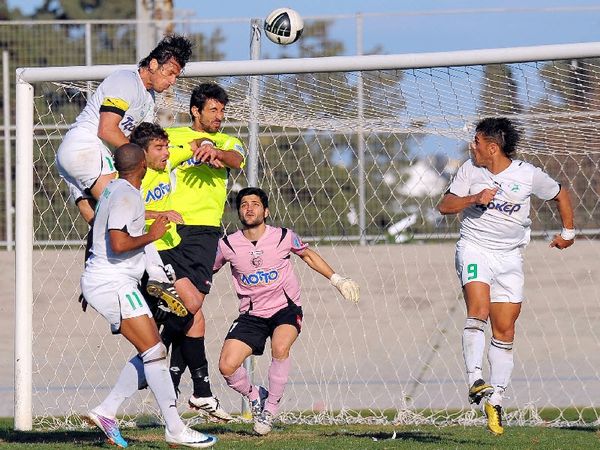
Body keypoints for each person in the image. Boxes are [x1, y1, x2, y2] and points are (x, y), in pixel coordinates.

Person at [437, 117, 575, 436]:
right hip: (474, 248)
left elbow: (561, 194)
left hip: (510, 257)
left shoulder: (527, 175)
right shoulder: (470, 171)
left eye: (476, 142)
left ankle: (496, 398)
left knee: (505, 327)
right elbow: (444, 206)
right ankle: (475, 379)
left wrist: (568, 232)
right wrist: (473, 198)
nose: (472, 146)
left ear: (492, 147)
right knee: (479, 310)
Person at [80, 143, 217, 448]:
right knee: (154, 351)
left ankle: (107, 411)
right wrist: (153, 235)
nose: (164, 153)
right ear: (142, 163)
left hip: (110, 281)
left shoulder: (115, 189)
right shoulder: (127, 195)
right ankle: (175, 428)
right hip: (114, 284)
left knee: (153, 351)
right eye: (158, 149)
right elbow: (117, 243)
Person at [58, 35, 192, 310]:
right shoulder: (126, 80)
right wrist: (141, 158)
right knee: (130, 210)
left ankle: (94, 278)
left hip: (75, 157)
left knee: (100, 221)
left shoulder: (148, 98)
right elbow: (107, 129)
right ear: (153, 64)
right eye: (169, 73)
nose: (172, 81)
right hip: (86, 148)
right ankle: (157, 275)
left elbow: (132, 138)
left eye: (176, 77)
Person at [214, 187, 360, 435]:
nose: (249, 208)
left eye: (255, 204)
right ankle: (256, 395)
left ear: (266, 210)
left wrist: (338, 280)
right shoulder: (227, 244)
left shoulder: (283, 236)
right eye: (244, 204)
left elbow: (308, 255)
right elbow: (207, 270)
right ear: (238, 211)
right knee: (226, 367)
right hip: (251, 314)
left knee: (280, 347)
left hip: (285, 309)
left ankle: (270, 409)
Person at [132, 122, 232, 420]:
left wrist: (206, 146)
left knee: (195, 315)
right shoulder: (134, 179)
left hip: (175, 245)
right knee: (188, 310)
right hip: (154, 251)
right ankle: (153, 365)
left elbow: (188, 147)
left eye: (166, 147)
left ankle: (201, 393)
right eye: (159, 149)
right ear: (142, 154)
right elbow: (118, 211)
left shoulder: (164, 164)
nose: (166, 153)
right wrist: (158, 214)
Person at [161, 82, 245, 413]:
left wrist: (216, 152)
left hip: (207, 232)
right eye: (213, 110)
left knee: (190, 308)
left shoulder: (227, 141)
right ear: (195, 111)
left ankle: (174, 378)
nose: (219, 116)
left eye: (222, 111)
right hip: (171, 228)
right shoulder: (172, 137)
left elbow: (236, 159)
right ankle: (191, 386)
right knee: (189, 306)